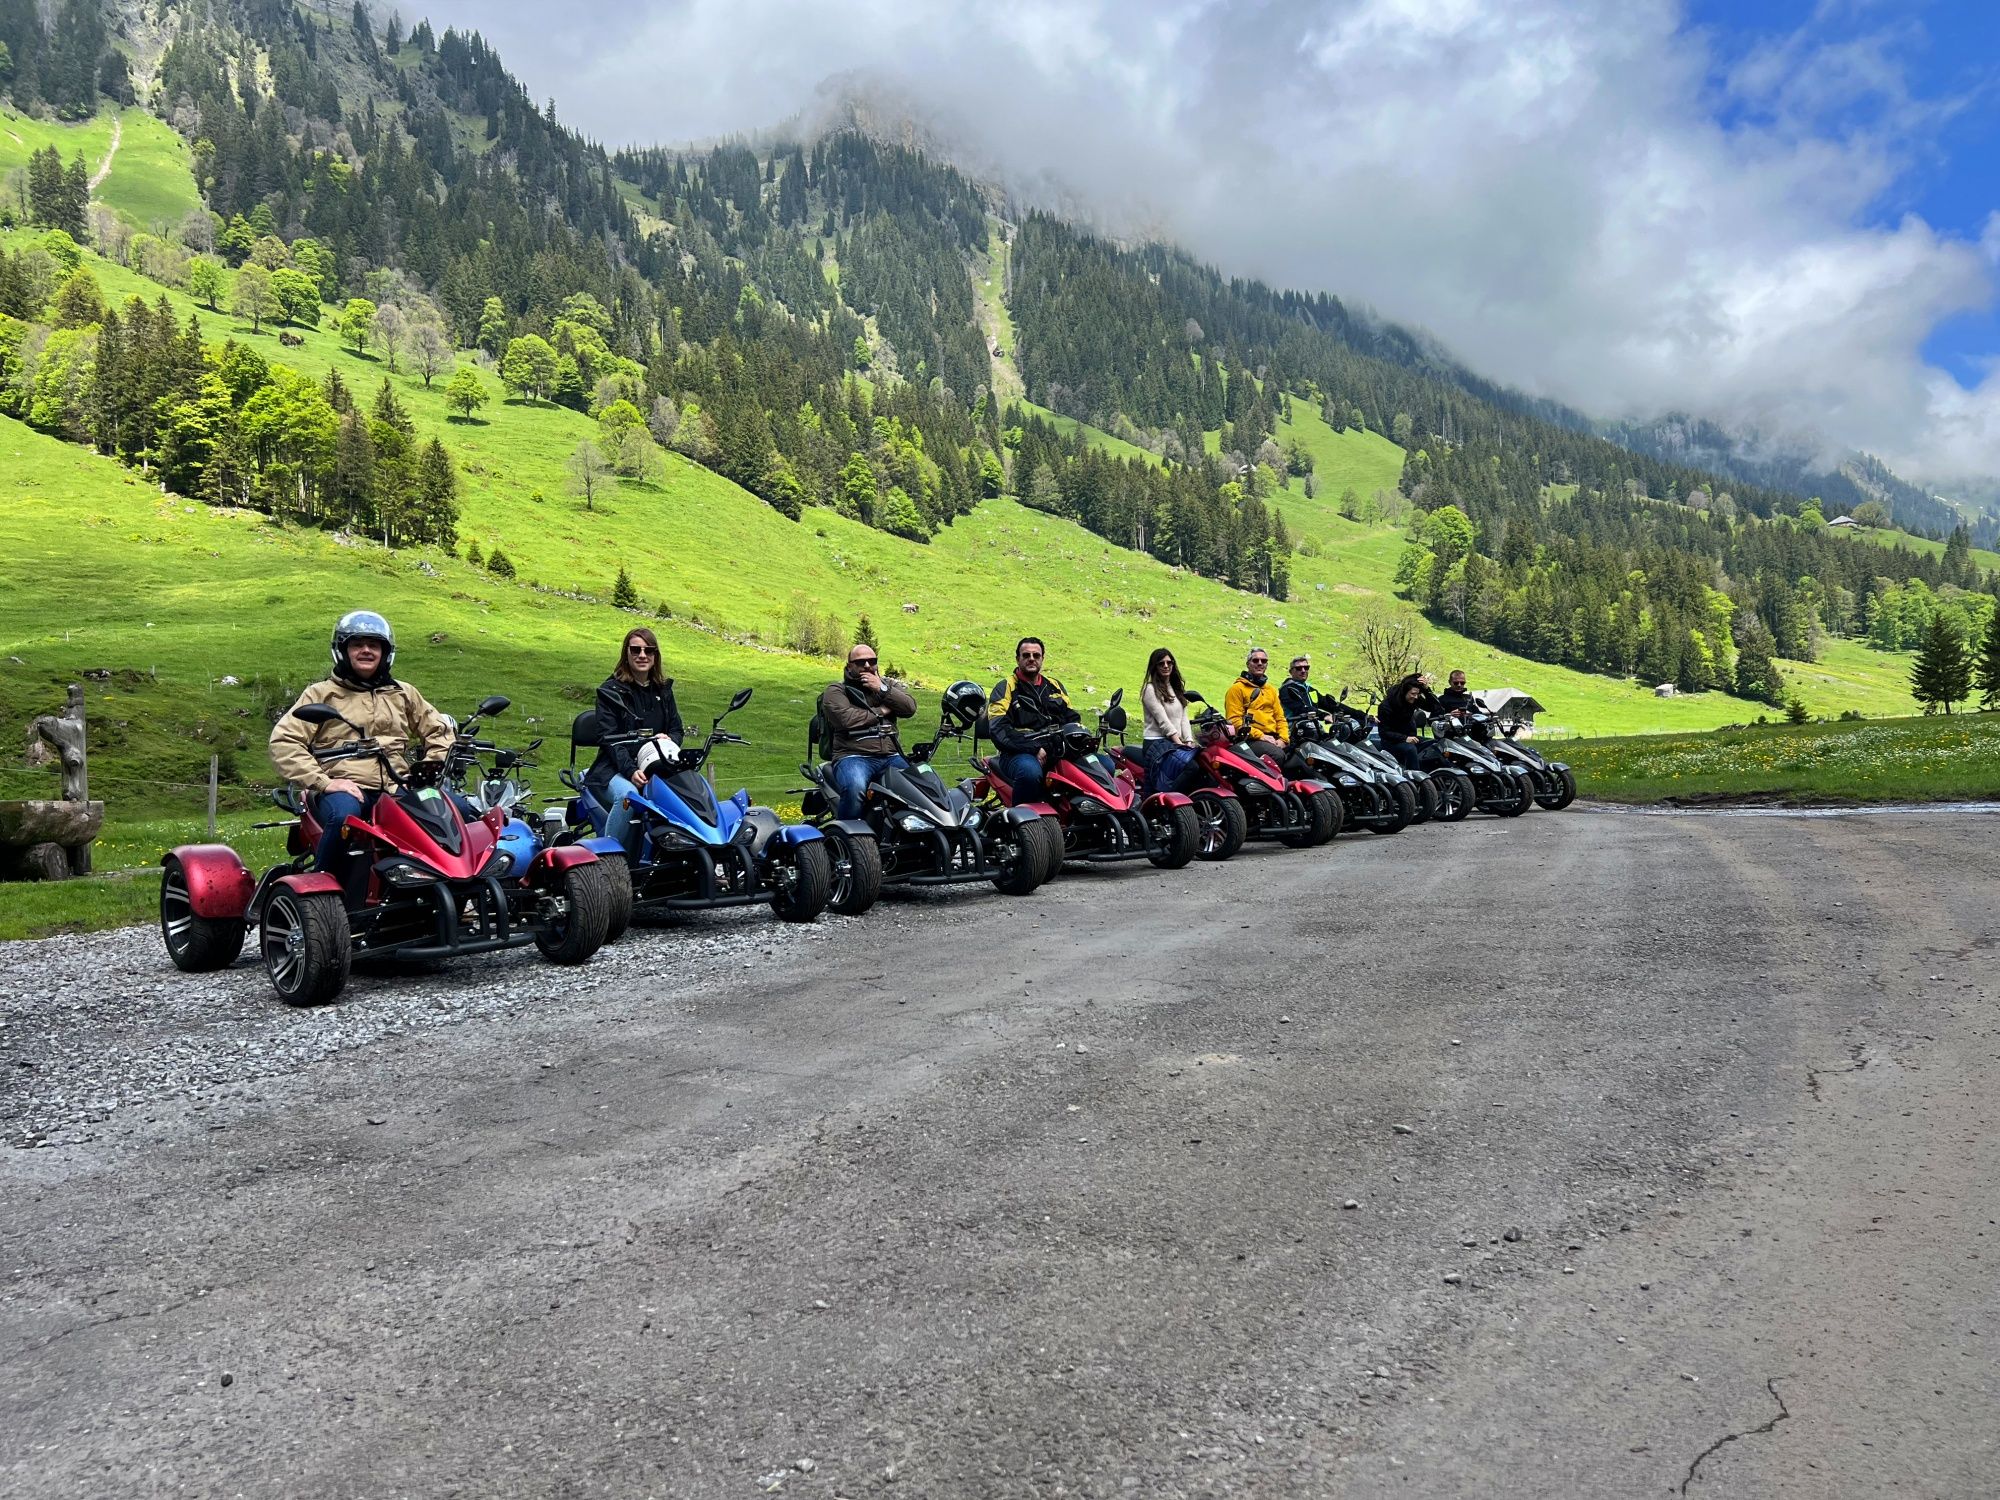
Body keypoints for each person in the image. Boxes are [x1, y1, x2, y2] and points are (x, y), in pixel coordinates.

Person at [269, 610, 457, 906]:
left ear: (386, 652)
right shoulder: (321, 694)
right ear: (343, 650)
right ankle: (322, 897)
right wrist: (325, 782)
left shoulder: (403, 692)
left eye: (374, 644)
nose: (366, 650)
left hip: (399, 787)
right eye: (357, 644)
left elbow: (440, 731)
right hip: (346, 786)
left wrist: (429, 769)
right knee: (346, 816)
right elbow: (284, 741)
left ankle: (450, 895)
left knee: (456, 809)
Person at [585, 626, 684, 857]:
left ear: (655, 655)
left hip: (657, 765)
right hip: (615, 769)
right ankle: (608, 861)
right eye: (636, 649)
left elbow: (677, 729)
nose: (642, 655)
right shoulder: (610, 692)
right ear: (626, 654)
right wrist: (630, 770)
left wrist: (670, 740)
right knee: (629, 796)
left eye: (648, 650)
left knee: (690, 790)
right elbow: (609, 740)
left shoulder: (664, 691)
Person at [820, 642, 918, 819]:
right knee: (855, 787)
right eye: (860, 662)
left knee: (918, 786)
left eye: (872, 661)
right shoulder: (836, 690)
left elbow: (909, 708)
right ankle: (848, 834)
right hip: (852, 755)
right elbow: (846, 719)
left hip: (891, 755)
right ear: (849, 665)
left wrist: (881, 688)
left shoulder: (888, 684)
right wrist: (882, 711)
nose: (867, 665)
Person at [984, 636, 1079, 801]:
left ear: (1042, 659)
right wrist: (1033, 748)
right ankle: (1022, 821)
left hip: (1055, 749)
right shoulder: (1005, 687)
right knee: (1030, 772)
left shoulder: (1054, 686)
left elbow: (1072, 717)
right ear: (1017, 659)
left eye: (1036, 655)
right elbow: (999, 730)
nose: (1031, 659)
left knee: (1103, 764)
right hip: (1018, 752)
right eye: (1026, 655)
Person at [1140, 647, 1199, 794]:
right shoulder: (1150, 689)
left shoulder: (1177, 689)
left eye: (1169, 662)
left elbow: (1184, 718)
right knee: (1191, 767)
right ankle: (1166, 799)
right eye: (1161, 663)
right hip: (1157, 742)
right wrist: (1180, 744)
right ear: (1155, 666)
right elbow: (1163, 721)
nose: (1166, 666)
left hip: (1174, 742)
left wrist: (1189, 741)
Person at [1222, 648, 1290, 768]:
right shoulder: (1237, 689)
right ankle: (1272, 786)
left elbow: (1280, 718)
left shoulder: (1271, 690)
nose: (1260, 663)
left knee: (1301, 752)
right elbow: (1234, 720)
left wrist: (1283, 739)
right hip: (1250, 738)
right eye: (1255, 660)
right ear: (1248, 664)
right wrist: (1261, 736)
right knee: (1277, 755)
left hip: (1273, 737)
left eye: (1263, 661)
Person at [1375, 672, 1431, 769]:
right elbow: (1384, 732)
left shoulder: (1413, 699)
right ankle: (1416, 778)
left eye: (1418, 694)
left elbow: (1435, 708)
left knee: (1434, 744)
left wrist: (1426, 690)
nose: (1416, 697)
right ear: (1404, 691)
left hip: (1411, 738)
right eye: (1413, 694)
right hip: (1392, 742)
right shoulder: (1386, 706)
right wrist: (1405, 738)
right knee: (1410, 749)